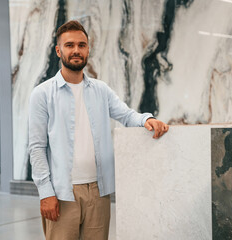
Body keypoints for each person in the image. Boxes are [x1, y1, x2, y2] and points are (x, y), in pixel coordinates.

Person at [28, 20, 169, 240]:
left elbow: (126, 114)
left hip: (98, 191)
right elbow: (37, 147)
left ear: (88, 49)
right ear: (58, 50)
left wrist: (147, 120)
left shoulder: (100, 90)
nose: (76, 50)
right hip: (63, 193)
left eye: (82, 45)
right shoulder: (42, 94)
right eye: (70, 45)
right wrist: (46, 193)